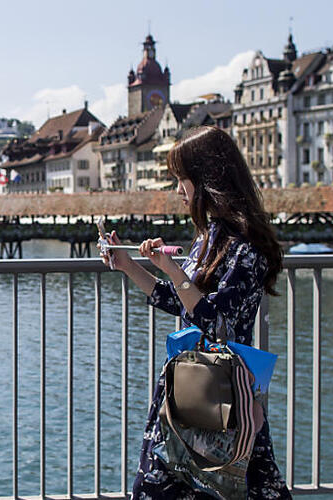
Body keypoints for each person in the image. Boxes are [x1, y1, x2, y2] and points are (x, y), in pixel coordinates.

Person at [100, 126, 290, 499]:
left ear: (205, 180)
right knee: (172, 485)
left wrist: (170, 268)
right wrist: (128, 265)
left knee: (213, 483)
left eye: (180, 179)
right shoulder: (209, 238)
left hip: (224, 388)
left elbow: (217, 322)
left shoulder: (246, 248)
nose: (178, 190)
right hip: (189, 381)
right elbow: (178, 301)